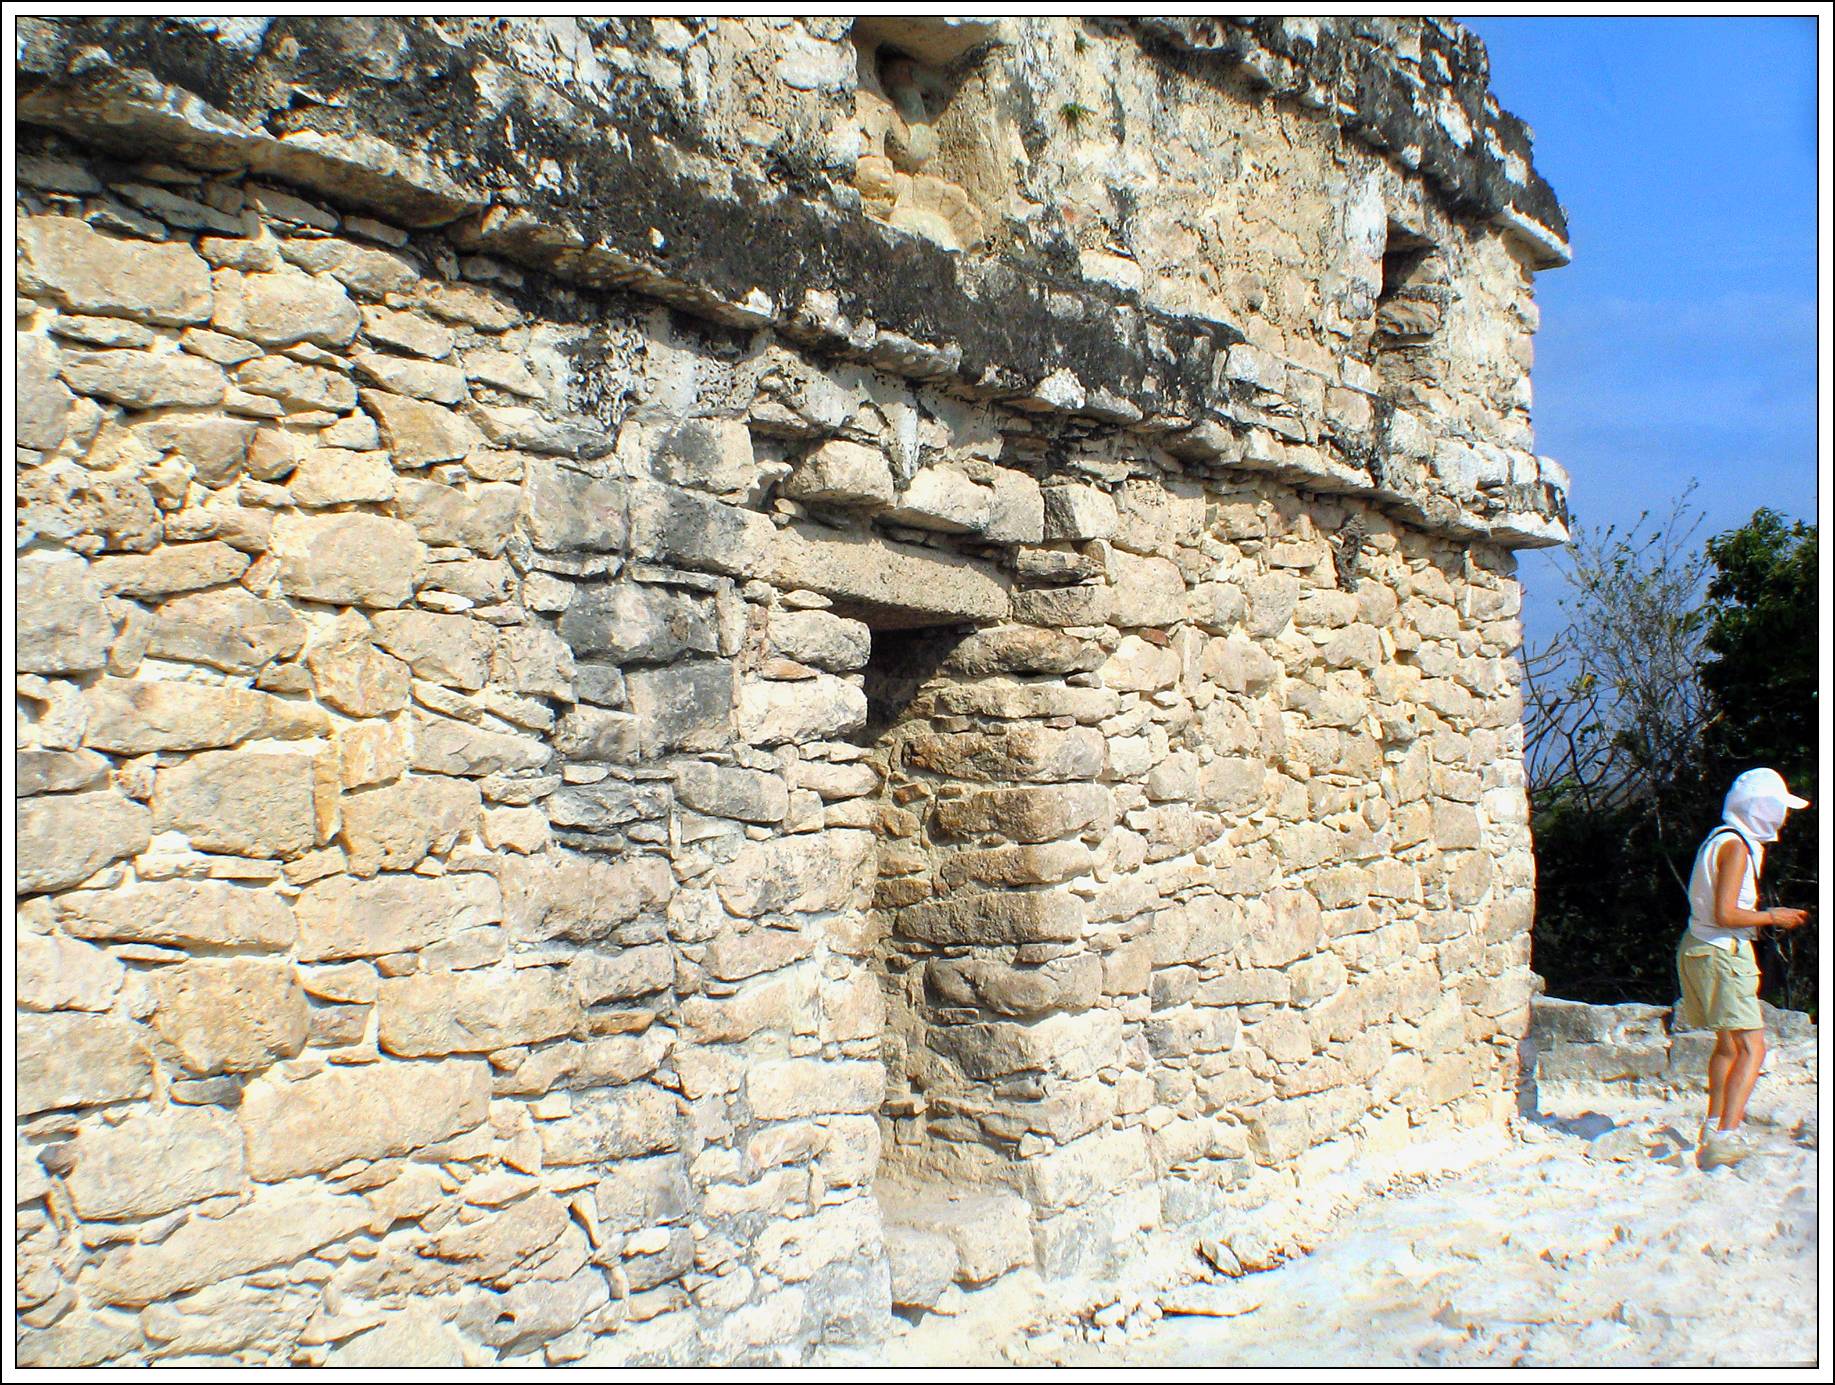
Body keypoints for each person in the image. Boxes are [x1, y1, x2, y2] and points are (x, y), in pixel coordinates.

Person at [1676, 768, 1810, 1169]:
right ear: (1761, 810)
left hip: (1698, 947)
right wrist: (1773, 916)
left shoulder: (1718, 839)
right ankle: (1726, 1136)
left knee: (1728, 1044)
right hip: (1722, 953)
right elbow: (1727, 913)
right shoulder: (1738, 847)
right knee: (1753, 1047)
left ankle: (1714, 1122)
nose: (1781, 818)